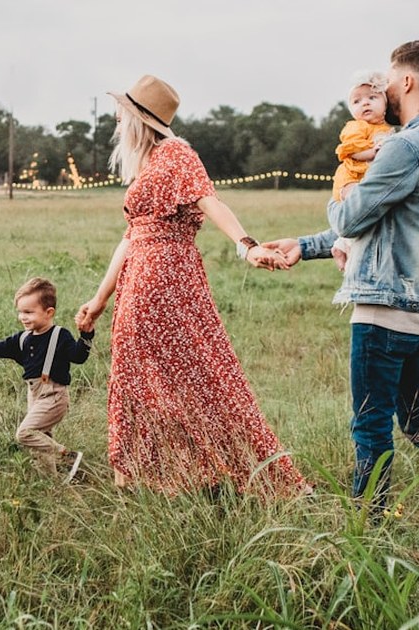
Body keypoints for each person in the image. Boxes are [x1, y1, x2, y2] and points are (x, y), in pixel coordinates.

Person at [264, 41, 419, 538]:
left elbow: (351, 218)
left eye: (390, 81)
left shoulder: (404, 147)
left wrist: (342, 189)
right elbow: (382, 224)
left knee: (370, 424)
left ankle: (367, 530)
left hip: (385, 312)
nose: (384, 90)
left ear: (409, 82)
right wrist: (305, 246)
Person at [74, 74, 309, 496]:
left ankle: (213, 471)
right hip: (141, 276)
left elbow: (210, 201)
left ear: (139, 119)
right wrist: (99, 299)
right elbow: (130, 237)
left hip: (164, 277)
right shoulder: (149, 163)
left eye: (121, 113)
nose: (116, 120)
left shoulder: (176, 153)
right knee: (144, 374)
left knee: (196, 374)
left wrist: (246, 246)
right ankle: (150, 475)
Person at [0, 278, 94, 483]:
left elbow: (79, 357)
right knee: (40, 442)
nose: (23, 317)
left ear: (49, 312)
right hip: (34, 394)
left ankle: (66, 456)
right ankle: (50, 482)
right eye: (20, 312)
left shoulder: (60, 335)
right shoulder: (23, 339)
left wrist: (86, 335)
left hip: (54, 395)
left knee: (25, 433)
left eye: (29, 312)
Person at [330, 70, 394, 273]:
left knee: (367, 212)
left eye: (372, 98)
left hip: (365, 178)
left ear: (385, 104)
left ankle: (341, 245)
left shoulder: (388, 129)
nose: (365, 103)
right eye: (357, 101)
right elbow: (351, 150)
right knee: (358, 207)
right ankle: (348, 251)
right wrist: (372, 152)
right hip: (351, 177)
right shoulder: (356, 126)